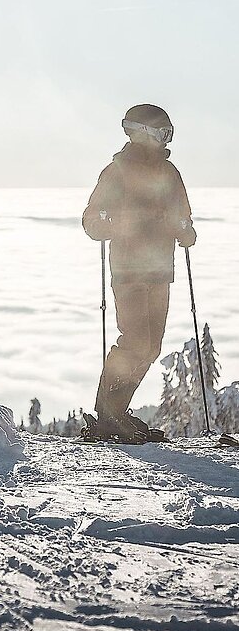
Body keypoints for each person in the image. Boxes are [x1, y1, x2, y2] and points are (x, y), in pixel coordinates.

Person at [81, 104, 196, 443]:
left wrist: (185, 230)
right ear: (141, 132)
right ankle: (108, 415)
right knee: (135, 342)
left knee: (151, 346)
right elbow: (91, 218)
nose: (166, 139)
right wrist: (107, 226)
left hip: (160, 270)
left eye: (168, 133)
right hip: (129, 269)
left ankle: (116, 412)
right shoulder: (116, 172)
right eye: (162, 132)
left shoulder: (169, 173)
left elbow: (182, 213)